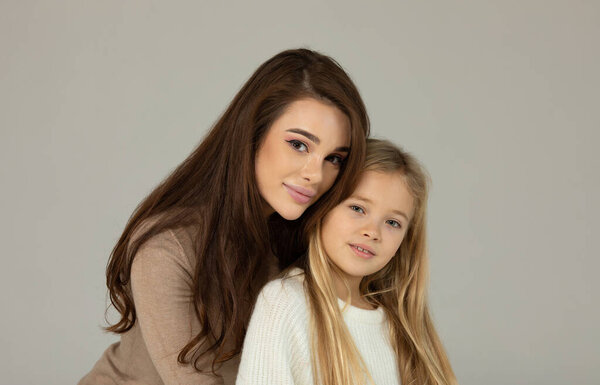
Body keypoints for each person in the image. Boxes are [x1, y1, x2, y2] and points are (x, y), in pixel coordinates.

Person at [78, 48, 370, 385]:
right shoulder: (168, 247)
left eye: (334, 158)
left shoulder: (305, 239)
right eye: (299, 145)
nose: (315, 174)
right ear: (253, 133)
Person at [237, 139, 458, 385]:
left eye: (392, 223)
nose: (372, 231)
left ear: (404, 242)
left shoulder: (402, 328)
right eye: (357, 208)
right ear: (323, 208)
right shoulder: (284, 303)